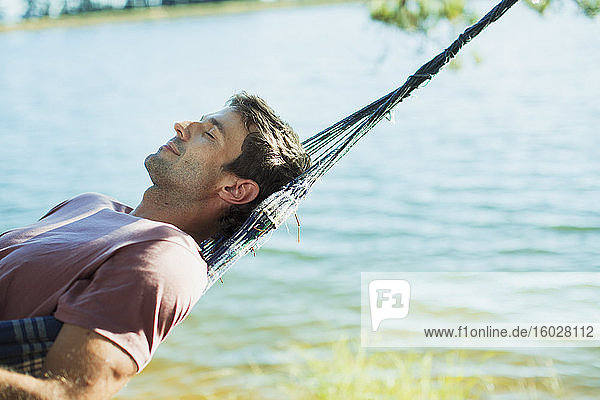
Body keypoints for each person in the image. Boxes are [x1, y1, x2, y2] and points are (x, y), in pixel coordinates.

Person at [0, 92, 310, 400]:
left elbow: (69, 394)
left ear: (235, 189)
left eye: (209, 133)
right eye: (199, 122)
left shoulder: (165, 258)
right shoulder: (90, 204)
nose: (182, 126)